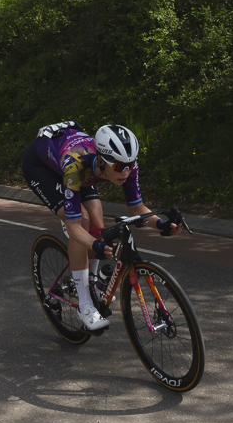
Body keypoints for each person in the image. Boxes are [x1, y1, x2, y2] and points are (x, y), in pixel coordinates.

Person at [21, 122, 181, 331]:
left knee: (98, 222)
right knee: (84, 223)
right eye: (118, 167)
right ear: (103, 161)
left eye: (130, 165)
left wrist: (162, 224)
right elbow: (74, 227)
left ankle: (93, 281)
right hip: (42, 167)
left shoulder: (124, 164)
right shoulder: (76, 165)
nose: (125, 172)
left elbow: (137, 208)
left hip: (83, 168)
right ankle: (85, 304)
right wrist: (95, 246)